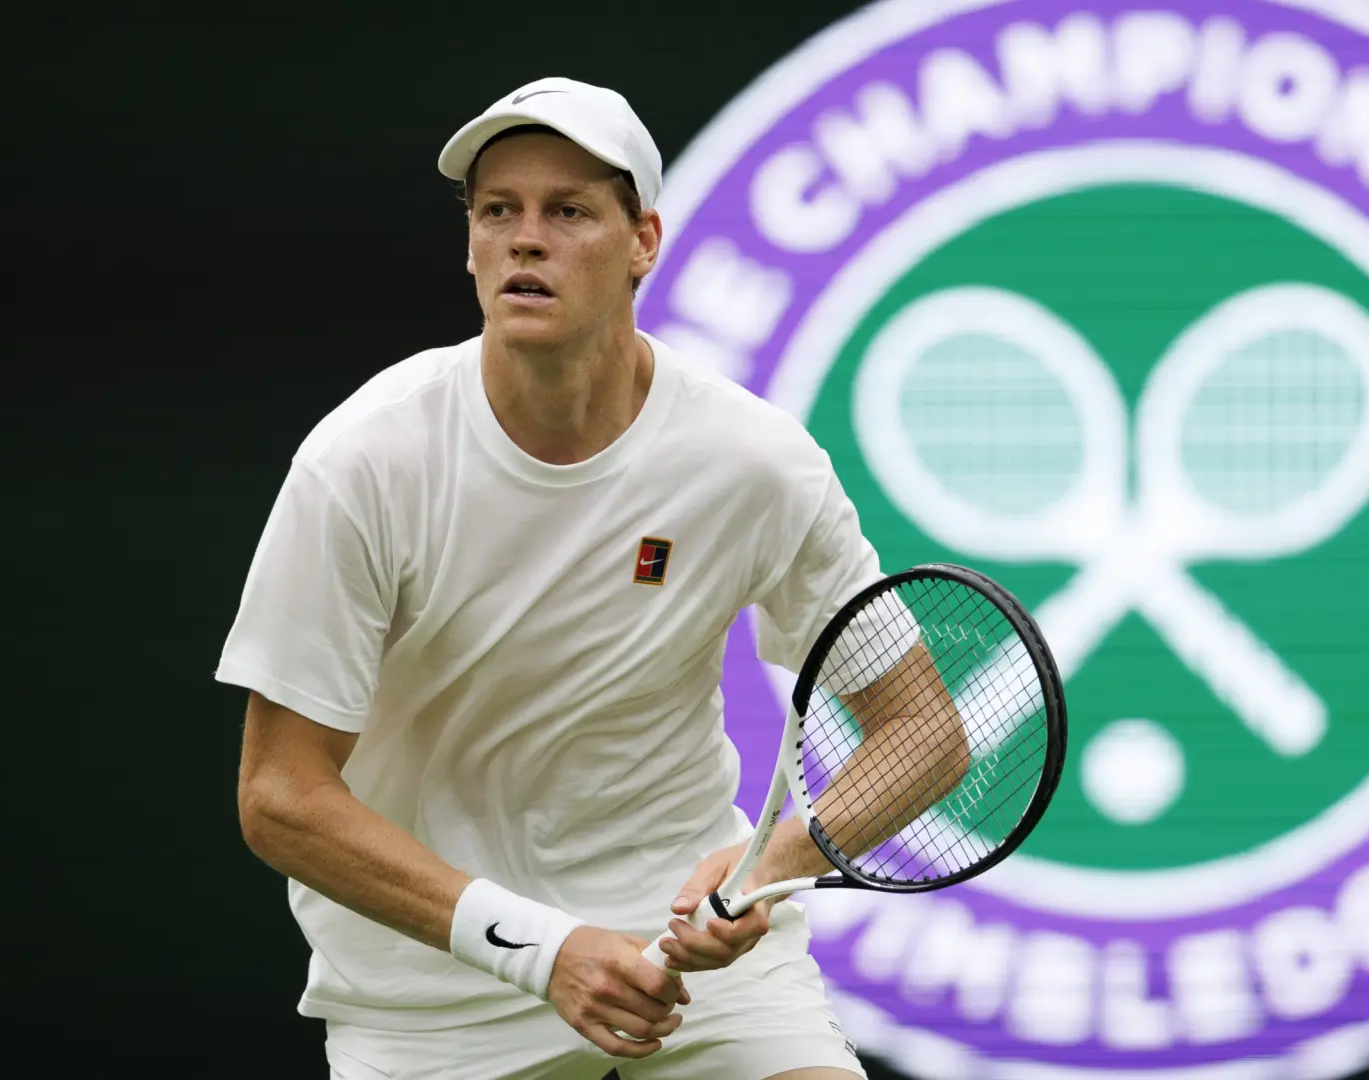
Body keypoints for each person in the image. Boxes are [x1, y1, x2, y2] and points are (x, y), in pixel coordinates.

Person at [218, 77, 878, 1080]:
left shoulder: (754, 463)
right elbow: (279, 793)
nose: (526, 240)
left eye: (567, 212)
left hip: (702, 981)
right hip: (434, 997)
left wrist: (770, 870)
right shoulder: (363, 461)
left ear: (642, 242)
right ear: (473, 243)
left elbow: (925, 729)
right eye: (498, 212)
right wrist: (538, 949)